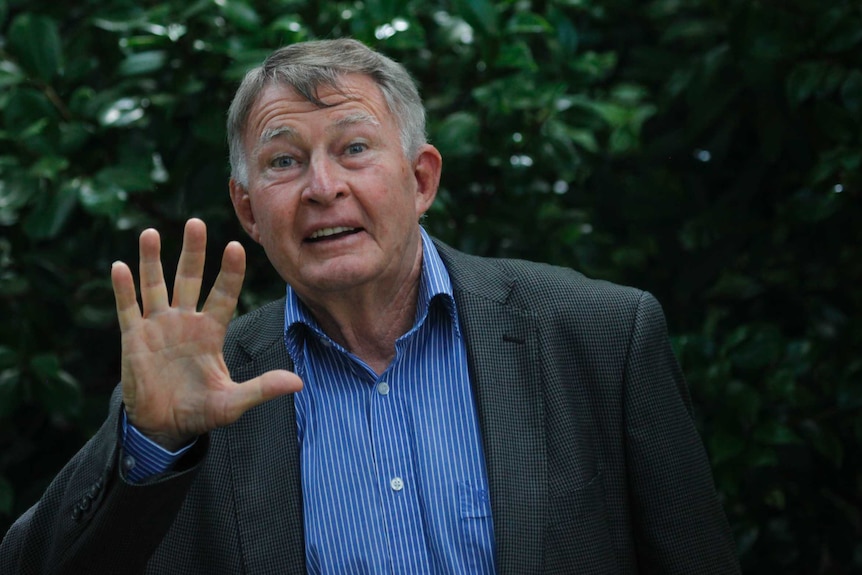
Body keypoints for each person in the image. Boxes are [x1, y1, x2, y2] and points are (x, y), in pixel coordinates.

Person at [0, 38, 740, 574]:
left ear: (421, 179)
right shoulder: (203, 391)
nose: (323, 186)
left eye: (354, 148)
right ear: (249, 210)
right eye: (284, 161)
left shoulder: (599, 337)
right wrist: (147, 444)